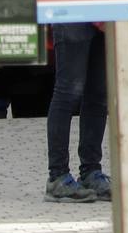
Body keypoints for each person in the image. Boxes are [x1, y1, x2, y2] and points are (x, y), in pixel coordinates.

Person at [44, 23, 110, 203]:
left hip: (104, 7)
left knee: (99, 93)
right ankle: (57, 176)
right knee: (68, 92)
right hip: (73, 8)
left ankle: (91, 172)